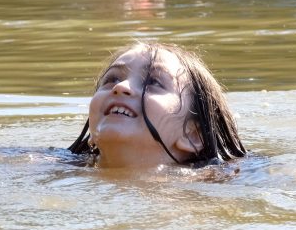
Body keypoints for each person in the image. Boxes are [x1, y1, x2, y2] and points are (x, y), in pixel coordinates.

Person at [68, 42, 247, 169]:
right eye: (112, 79)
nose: (120, 87)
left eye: (153, 82)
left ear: (194, 135)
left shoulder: (214, 187)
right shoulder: (50, 168)